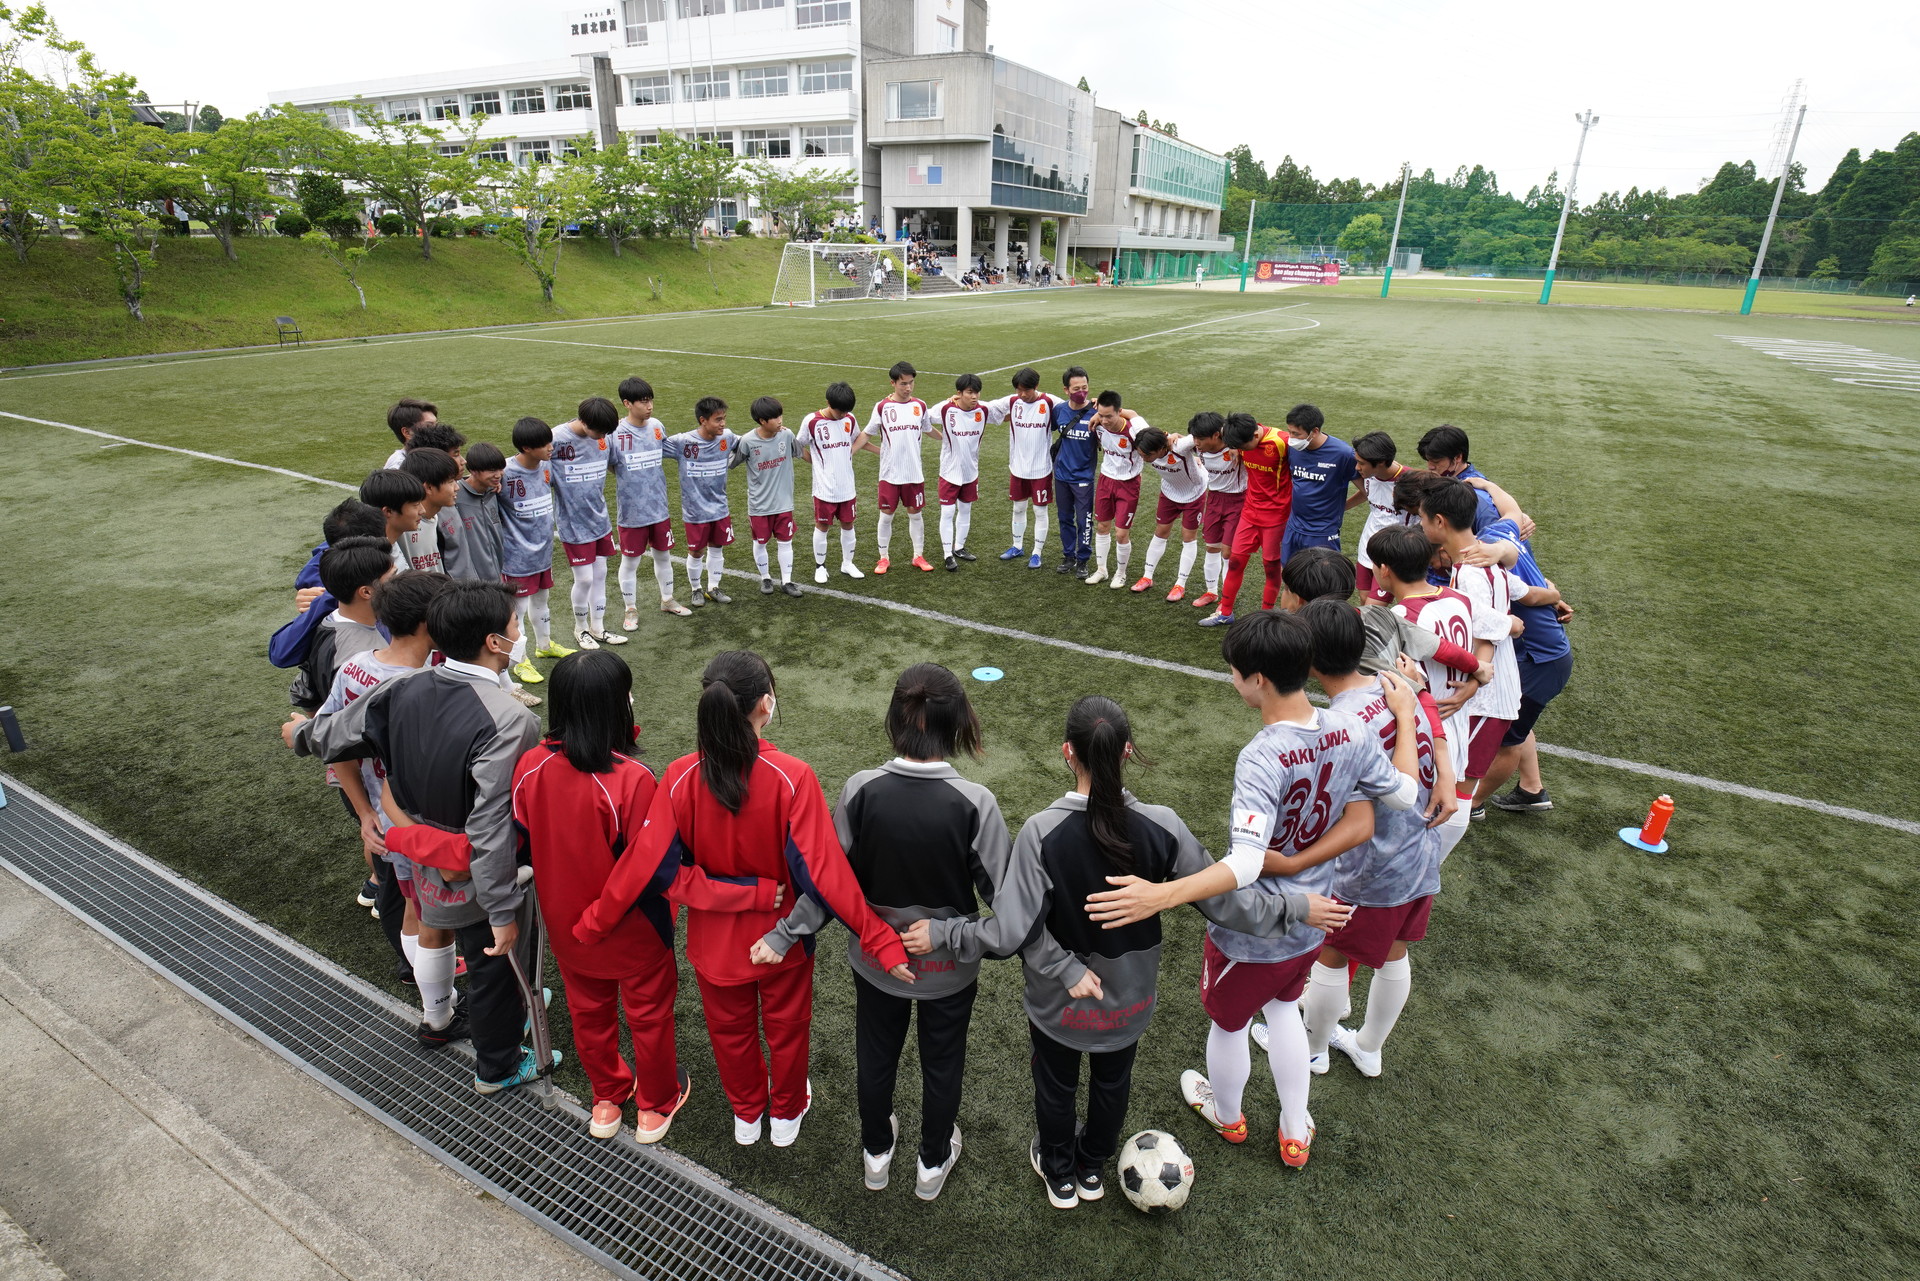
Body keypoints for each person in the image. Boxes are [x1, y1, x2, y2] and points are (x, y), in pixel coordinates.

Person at [909, 695, 1338, 1208]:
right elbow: (1227, 905)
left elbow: (1006, 934)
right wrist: (1296, 908)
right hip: (1128, 1003)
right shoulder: (1163, 825)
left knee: (1055, 1087)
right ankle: (1093, 1167)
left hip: (1058, 1005)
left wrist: (944, 934)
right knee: (1113, 1084)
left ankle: (1061, 1173)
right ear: (1128, 752)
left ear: (1069, 752)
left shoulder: (1041, 833)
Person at [1084, 611, 1418, 1170]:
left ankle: (1229, 1114)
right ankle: (1293, 1130)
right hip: (1318, 913)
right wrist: (1406, 720)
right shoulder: (1351, 727)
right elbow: (1404, 795)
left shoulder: (1262, 756)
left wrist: (1160, 895)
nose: (1232, 681)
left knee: (1230, 1021)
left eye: (1234, 672)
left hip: (1257, 925)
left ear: (1258, 679)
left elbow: (1243, 865)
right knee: (1286, 1008)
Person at [575, 651, 914, 1148]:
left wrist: (593, 923)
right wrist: (880, 939)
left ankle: (747, 1115)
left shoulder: (678, 776)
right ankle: (787, 1113)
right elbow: (825, 874)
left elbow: (651, 869)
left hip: (715, 948)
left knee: (730, 1034)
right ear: (766, 705)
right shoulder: (791, 776)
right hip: (783, 944)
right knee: (788, 1030)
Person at [758, 664, 1010, 1200]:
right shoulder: (976, 803)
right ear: (959, 721)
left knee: (875, 1057)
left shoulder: (861, 788)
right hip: (948, 973)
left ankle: (877, 1154)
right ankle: (931, 1164)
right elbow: (1009, 918)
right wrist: (946, 934)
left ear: (895, 718)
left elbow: (829, 883)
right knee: (942, 1065)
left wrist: (785, 932)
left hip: (875, 964)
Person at [290, 580, 552, 1094]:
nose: (520, 632)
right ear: (494, 643)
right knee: (494, 967)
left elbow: (329, 734)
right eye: (516, 624)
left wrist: (297, 733)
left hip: (414, 851)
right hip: (472, 871)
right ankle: (496, 1068)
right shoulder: (512, 719)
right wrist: (502, 909)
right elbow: (490, 825)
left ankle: (444, 1019)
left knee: (437, 932)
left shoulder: (399, 687)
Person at [511, 651, 725, 1143]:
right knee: (649, 1017)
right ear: (613, 706)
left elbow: (521, 838)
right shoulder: (632, 779)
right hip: (634, 931)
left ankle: (607, 1099)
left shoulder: (528, 765)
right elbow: (649, 869)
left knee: (589, 1016)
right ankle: (656, 1104)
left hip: (566, 930)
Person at [1293, 599, 1447, 1080]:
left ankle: (1313, 1052)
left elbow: (1364, 800)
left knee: (1331, 953)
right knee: (1396, 951)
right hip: (1418, 851)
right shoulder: (1396, 688)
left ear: (1310, 660)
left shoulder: (1342, 724)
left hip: (1374, 863)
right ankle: (1368, 1048)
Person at [303, 571, 446, 989]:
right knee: (428, 913)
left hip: (382, 820)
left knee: (410, 905)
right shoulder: (420, 687)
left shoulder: (356, 666)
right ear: (427, 622)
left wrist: (364, 813)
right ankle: (439, 1003)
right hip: (417, 824)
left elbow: (332, 742)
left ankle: (430, 993)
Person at [1420, 480, 1560, 821]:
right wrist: (1554, 595)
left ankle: (1442, 837)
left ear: (1439, 522)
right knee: (1456, 780)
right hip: (1493, 690)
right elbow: (1527, 593)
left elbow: (1487, 634)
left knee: (1458, 787)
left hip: (1487, 696)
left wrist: (1474, 682)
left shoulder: (1469, 573)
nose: (1419, 526)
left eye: (1422, 519)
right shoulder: (1487, 559)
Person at [1473, 508, 1575, 816]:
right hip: (1539, 656)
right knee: (1512, 714)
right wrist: (1552, 594)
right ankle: (1532, 789)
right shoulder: (1502, 533)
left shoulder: (1487, 548)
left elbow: (1525, 594)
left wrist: (1549, 595)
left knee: (1507, 738)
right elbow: (1514, 515)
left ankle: (1471, 804)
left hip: (1541, 661)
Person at [498, 417, 574, 688]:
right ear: (526, 448)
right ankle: (519, 662)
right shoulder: (505, 472)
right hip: (516, 557)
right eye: (543, 444)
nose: (550, 447)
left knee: (542, 601)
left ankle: (544, 644)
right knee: (514, 613)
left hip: (543, 552)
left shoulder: (547, 466)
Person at [609, 376, 692, 624]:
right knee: (631, 561)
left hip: (659, 507)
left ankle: (667, 600)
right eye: (643, 402)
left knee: (663, 556)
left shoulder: (656, 425)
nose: (649, 406)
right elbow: (612, 465)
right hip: (632, 512)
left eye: (650, 400)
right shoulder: (616, 432)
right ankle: (630, 609)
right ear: (627, 403)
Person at [1201, 413, 1294, 628]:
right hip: (1250, 513)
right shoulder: (1237, 435)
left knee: (1271, 569)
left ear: (1254, 435)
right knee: (1235, 562)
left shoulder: (1282, 442)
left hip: (1276, 517)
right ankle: (1225, 612)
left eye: (1242, 446)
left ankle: (1266, 617)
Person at [550, 397, 628, 650]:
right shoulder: (555, 439)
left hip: (599, 520)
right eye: (599, 431)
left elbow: (616, 464)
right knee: (583, 579)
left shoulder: (605, 438)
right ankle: (580, 628)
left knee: (601, 574)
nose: (602, 437)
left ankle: (598, 627)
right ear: (583, 421)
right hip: (572, 524)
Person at [288, 537, 393, 714]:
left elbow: (305, 691)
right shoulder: (359, 654)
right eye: (392, 578)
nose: (400, 583)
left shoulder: (326, 622)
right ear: (366, 592)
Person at [667, 397, 739, 607]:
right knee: (696, 551)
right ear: (703, 420)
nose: (723, 423)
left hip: (720, 508)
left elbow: (749, 442)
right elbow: (655, 449)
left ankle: (713, 587)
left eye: (724, 418)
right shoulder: (683, 442)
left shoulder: (727, 437)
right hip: (695, 511)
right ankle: (696, 589)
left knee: (717, 547)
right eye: (718, 419)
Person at [797, 382, 872, 584]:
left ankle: (847, 563)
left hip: (847, 486)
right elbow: (797, 446)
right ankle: (820, 567)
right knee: (822, 526)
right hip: (824, 489)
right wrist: (814, 461)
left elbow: (858, 439)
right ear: (828, 403)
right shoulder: (811, 421)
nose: (843, 414)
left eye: (847, 411)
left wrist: (883, 451)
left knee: (848, 525)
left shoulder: (849, 418)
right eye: (840, 410)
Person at [730, 396, 805, 597]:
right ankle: (765, 577)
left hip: (784, 503)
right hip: (759, 505)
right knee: (760, 542)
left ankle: (787, 581)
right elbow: (731, 462)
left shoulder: (787, 435)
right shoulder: (747, 441)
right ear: (762, 421)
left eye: (780, 415)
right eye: (774, 417)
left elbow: (800, 452)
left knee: (785, 541)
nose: (780, 420)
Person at [925, 374, 1000, 571]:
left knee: (965, 510)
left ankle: (959, 547)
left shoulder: (984, 410)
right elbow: (922, 416)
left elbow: (1008, 410)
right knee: (948, 512)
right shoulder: (946, 409)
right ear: (959, 394)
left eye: (976, 392)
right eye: (969, 393)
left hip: (970, 472)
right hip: (949, 472)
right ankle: (947, 554)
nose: (974, 396)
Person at [989, 368, 1060, 569]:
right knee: (1018, 507)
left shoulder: (1049, 402)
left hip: (1041, 468)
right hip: (1018, 467)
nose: (1021, 394)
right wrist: (957, 400)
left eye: (1025, 390)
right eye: (1018, 390)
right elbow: (987, 407)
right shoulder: (1013, 402)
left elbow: (1074, 409)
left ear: (1036, 387)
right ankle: (1017, 545)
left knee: (1039, 510)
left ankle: (1037, 552)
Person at [865, 361, 933, 574]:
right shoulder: (882, 407)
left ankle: (918, 556)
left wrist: (951, 440)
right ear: (893, 383)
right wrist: (849, 451)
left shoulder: (920, 406)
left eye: (911, 383)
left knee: (916, 514)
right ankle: (883, 558)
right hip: (890, 474)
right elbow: (866, 434)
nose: (908, 388)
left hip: (914, 472)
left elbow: (929, 430)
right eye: (903, 384)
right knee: (886, 515)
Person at [1133, 425, 1207, 600]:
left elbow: (1203, 431)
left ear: (1160, 449)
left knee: (1188, 537)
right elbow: (1131, 414)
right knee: (1160, 532)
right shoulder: (1146, 440)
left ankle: (1180, 585)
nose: (1143, 459)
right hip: (1169, 492)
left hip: (1194, 494)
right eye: (1140, 455)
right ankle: (1147, 576)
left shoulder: (1179, 445)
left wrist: (1232, 447)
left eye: (1147, 456)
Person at [1279, 404, 1357, 564]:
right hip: (1293, 526)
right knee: (1288, 576)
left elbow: (1367, 490)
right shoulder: (1293, 448)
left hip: (1322, 532)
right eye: (1289, 432)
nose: (1291, 438)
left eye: (1296, 434)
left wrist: (1344, 506)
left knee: (1321, 582)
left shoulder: (1343, 454)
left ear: (1314, 431)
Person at [1085, 394, 1148, 589]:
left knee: (1121, 533)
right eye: (1101, 415)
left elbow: (1154, 439)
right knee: (1102, 527)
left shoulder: (1135, 430)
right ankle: (1101, 570)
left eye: (1108, 416)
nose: (1104, 420)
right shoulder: (1099, 425)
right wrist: (1097, 414)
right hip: (1105, 480)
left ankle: (1121, 573)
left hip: (1128, 484)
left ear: (1120, 412)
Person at [1187, 411, 1244, 613]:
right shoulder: (1196, 442)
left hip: (1238, 500)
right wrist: (1172, 436)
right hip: (1214, 498)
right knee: (1212, 546)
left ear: (1217, 435)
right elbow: (1171, 440)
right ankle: (1212, 591)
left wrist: (1237, 446)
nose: (1196, 443)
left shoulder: (1237, 445)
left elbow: (1256, 433)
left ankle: (1227, 599)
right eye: (1194, 438)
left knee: (1228, 552)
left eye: (1200, 439)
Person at [1349, 431, 1415, 602]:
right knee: (1364, 599)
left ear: (1380, 463)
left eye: (1361, 463)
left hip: (1392, 553)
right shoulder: (1370, 475)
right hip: (1367, 548)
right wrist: (1343, 507)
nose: (1357, 468)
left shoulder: (1411, 482)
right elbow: (1369, 494)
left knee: (1372, 609)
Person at [1049, 368, 1096, 574]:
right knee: (1065, 517)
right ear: (1066, 390)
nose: (1081, 392)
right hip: (1061, 476)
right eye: (1076, 388)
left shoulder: (1097, 412)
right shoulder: (1059, 410)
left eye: (1084, 388)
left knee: (1084, 520)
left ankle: (1083, 559)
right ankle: (1069, 556)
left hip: (1084, 477)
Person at [1416, 425, 1499, 532]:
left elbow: (1495, 538)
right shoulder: (1447, 480)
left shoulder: (1476, 496)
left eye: (1436, 461)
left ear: (1458, 457)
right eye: (1428, 460)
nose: (1430, 466)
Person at [396, 447, 459, 574]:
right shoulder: (404, 525)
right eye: (451, 482)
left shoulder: (433, 518)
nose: (457, 487)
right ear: (429, 487)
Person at [359, 469, 427, 572]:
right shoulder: (374, 563)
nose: (423, 511)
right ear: (388, 511)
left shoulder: (392, 543)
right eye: (416, 505)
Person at [382, 397, 437, 469]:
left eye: (436, 425)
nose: (438, 430)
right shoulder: (399, 467)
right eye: (429, 425)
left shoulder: (434, 454)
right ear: (407, 432)